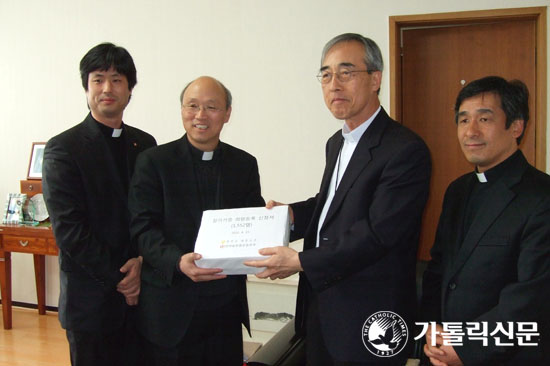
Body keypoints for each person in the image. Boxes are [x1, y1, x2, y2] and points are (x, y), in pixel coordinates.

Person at [245, 33, 431, 365]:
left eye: (346, 73)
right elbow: (333, 203)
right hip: (322, 309)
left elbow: (377, 233)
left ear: (375, 79)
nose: (334, 84)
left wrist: (300, 261)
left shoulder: (405, 149)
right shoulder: (337, 142)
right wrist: (291, 216)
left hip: (371, 317)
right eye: (326, 75)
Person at [128, 76, 265, 366]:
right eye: (192, 106)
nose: (200, 116)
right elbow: (142, 228)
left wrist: (269, 227)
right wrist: (178, 260)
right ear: (181, 110)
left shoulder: (244, 164)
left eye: (212, 107)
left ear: (227, 113)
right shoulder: (153, 162)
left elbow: (252, 224)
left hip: (224, 309)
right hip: (169, 308)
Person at [421, 76, 550, 365]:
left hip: (508, 356)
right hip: (445, 352)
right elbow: (439, 270)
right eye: (463, 120)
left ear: (516, 126)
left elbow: (531, 296)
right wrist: (432, 334)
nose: (471, 131)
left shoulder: (541, 197)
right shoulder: (457, 190)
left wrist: (466, 347)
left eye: (485, 118)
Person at [42, 43, 157, 366]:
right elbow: (70, 231)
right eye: (98, 79)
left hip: (143, 297)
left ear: (130, 89)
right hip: (92, 302)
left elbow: (154, 215)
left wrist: (141, 263)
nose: (108, 88)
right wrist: (122, 277)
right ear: (86, 86)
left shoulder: (145, 145)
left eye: (117, 79)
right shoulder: (63, 149)